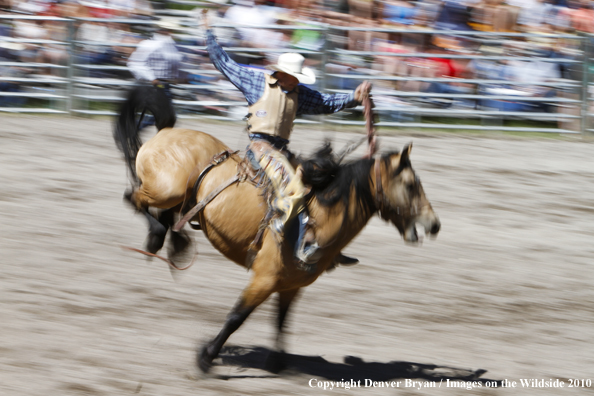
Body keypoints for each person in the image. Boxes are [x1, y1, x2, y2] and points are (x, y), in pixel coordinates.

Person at [202, 10, 370, 271]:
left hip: (280, 150)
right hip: (260, 148)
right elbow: (223, 62)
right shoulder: (256, 81)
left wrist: (354, 97)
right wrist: (209, 32)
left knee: (320, 183)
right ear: (283, 74)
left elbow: (326, 103)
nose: (297, 81)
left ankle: (323, 243)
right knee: (293, 186)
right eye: (296, 77)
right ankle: (293, 234)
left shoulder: (298, 93)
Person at [127, 18, 183, 130]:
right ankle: (135, 128)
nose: (169, 32)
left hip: (164, 85)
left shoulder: (171, 46)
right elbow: (135, 63)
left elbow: (174, 64)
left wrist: (175, 77)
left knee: (166, 117)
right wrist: (151, 78)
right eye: (167, 29)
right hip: (154, 85)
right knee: (164, 116)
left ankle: (135, 128)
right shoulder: (150, 44)